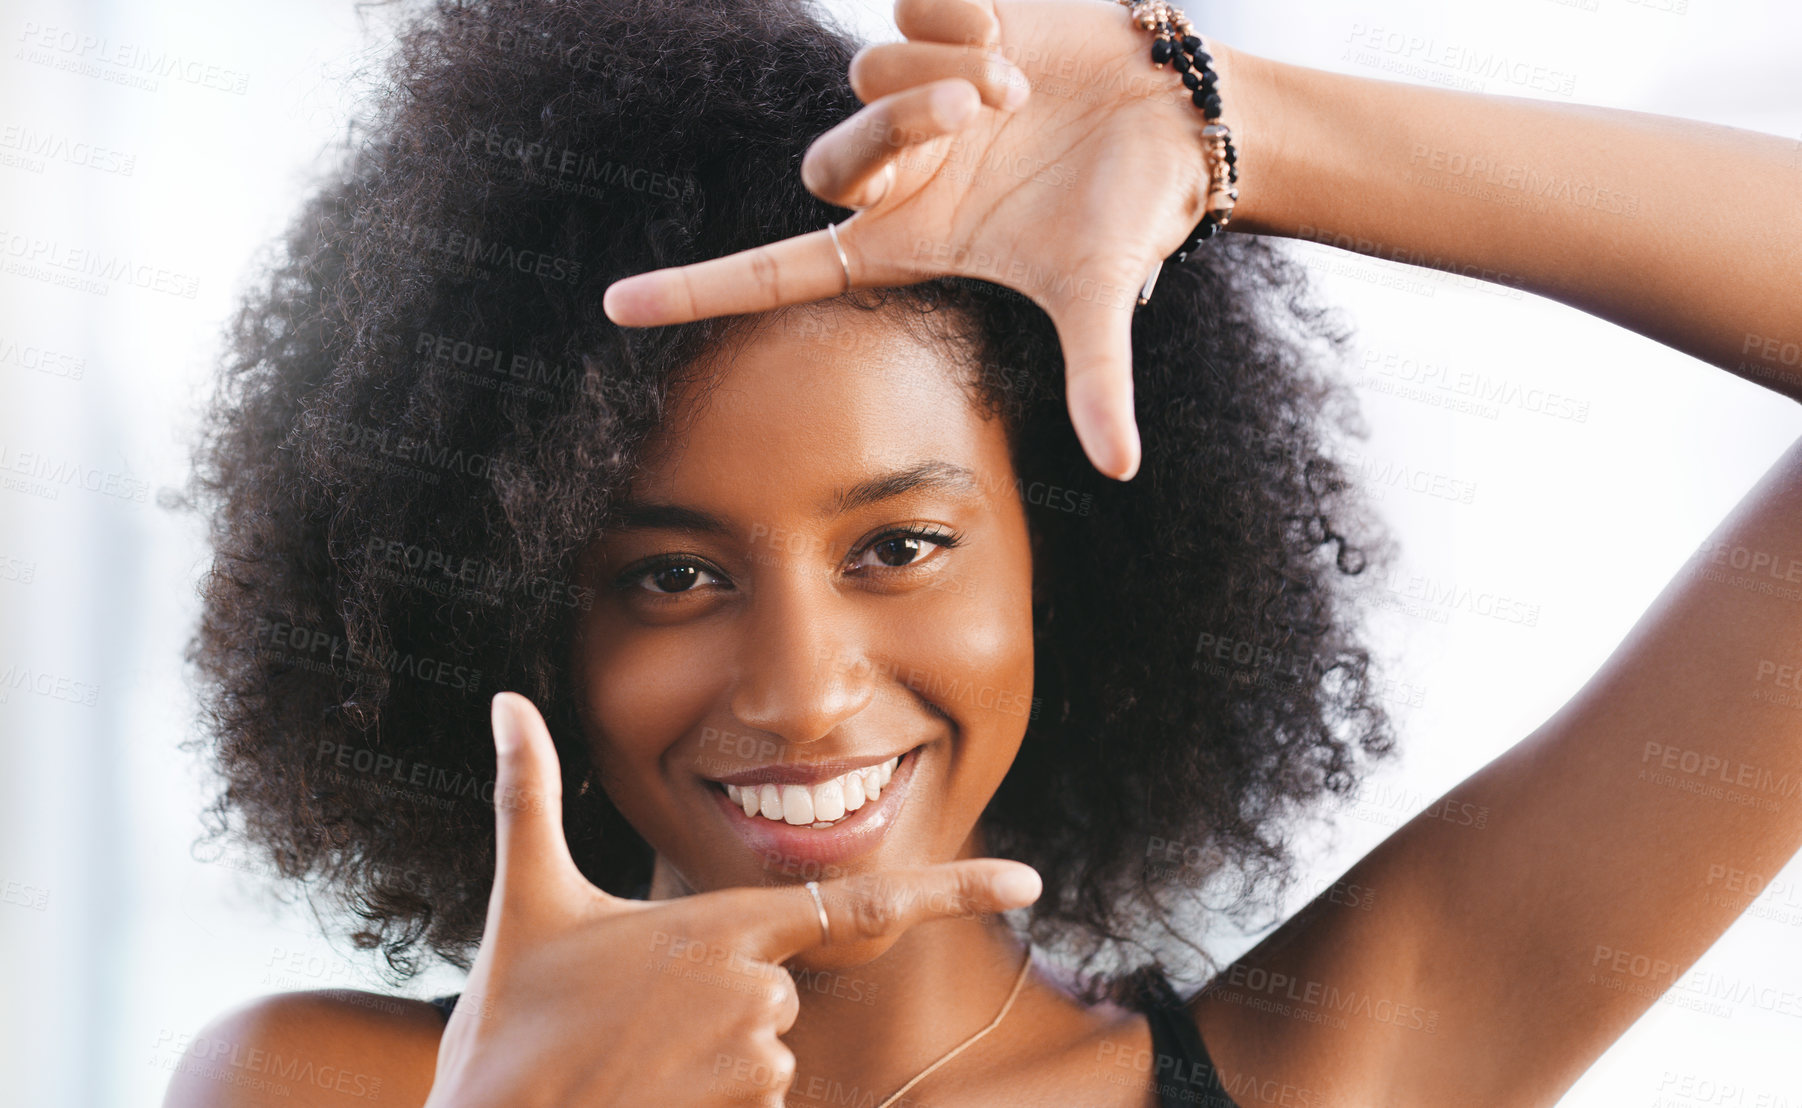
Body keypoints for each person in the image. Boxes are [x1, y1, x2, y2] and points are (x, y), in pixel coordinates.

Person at [166, 0, 1802, 1105]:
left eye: (899, 545)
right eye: (670, 575)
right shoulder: (315, 1084)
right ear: (520, 614)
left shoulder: (1342, 1065)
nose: (805, 694)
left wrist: (1232, 128)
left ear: (1065, 557)